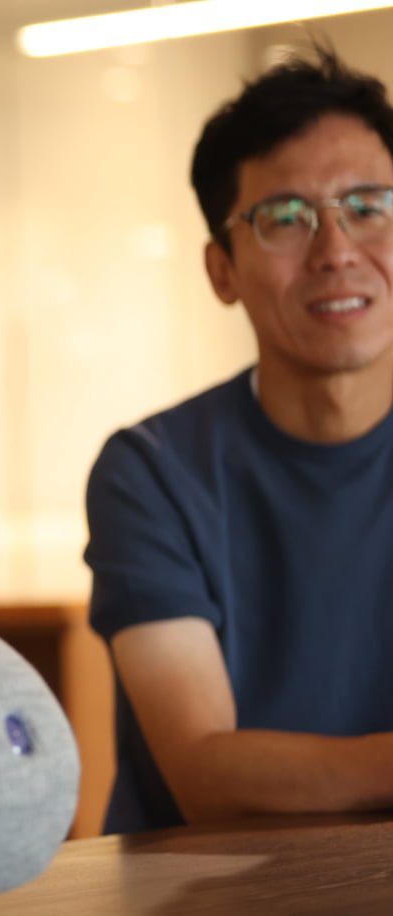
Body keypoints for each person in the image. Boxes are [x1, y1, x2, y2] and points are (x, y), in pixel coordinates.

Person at [85, 48, 393, 835]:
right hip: (217, 888)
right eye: (285, 218)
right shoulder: (152, 471)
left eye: (369, 206)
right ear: (221, 270)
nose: (336, 250)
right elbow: (205, 774)